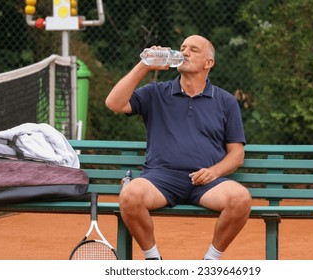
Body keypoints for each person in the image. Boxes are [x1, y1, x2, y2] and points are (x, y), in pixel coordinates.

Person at [105, 35, 252, 260]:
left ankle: (210, 261)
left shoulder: (225, 101)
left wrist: (214, 171)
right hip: (161, 179)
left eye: (193, 49)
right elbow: (114, 103)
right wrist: (144, 65)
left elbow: (236, 155)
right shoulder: (156, 92)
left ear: (208, 63)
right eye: (182, 48)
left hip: (206, 182)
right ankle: (153, 260)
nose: (184, 52)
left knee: (241, 198)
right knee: (130, 195)